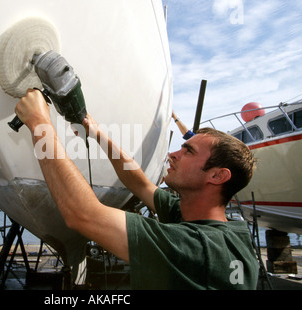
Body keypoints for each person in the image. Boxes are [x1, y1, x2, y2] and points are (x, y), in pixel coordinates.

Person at [14, 89, 259, 289]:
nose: (173, 154)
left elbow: (83, 214)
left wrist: (40, 124)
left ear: (217, 175)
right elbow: (139, 183)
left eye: (188, 152)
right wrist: (97, 133)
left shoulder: (193, 248)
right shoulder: (220, 230)